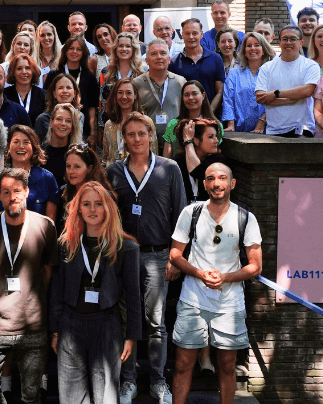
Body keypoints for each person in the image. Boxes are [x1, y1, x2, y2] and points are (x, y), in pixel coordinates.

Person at [107, 112, 188, 404]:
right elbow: (108, 216)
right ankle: (128, 381)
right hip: (123, 257)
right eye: (130, 134)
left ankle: (158, 381)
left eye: (142, 133)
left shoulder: (170, 168)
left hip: (158, 255)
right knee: (126, 320)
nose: (137, 139)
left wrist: (175, 258)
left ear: (151, 135)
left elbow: (181, 216)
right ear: (124, 139)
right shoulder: (114, 171)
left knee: (156, 322)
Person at [169, 163, 262, 404]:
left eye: (222, 178)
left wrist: (226, 277)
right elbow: (175, 254)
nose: (216, 183)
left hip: (229, 303)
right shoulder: (191, 213)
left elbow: (256, 266)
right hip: (193, 298)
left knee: (228, 365)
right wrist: (200, 274)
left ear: (232, 183)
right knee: (183, 364)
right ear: (204, 184)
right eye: (210, 178)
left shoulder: (245, 218)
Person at [0, 167, 59, 404]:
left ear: (27, 192)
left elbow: (47, 273)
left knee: (31, 395)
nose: (12, 197)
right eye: (6, 192)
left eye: (17, 191)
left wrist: (30, 296)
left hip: (33, 326)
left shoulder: (46, 227)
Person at [50, 181, 141, 404]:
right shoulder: (66, 244)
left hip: (107, 325)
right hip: (71, 325)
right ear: (78, 208)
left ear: (108, 208)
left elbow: (133, 295)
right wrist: (55, 331)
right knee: (71, 398)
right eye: (86, 204)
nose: (92, 209)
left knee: (106, 397)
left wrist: (131, 336)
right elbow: (57, 290)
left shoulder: (126, 247)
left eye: (98, 204)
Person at [254, 26, 321, 137]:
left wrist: (275, 94)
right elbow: (260, 98)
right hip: (273, 131)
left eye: (293, 39)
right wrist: (294, 98)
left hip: (302, 130)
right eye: (285, 39)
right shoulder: (267, 67)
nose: (288, 42)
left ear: (301, 43)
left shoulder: (310, 65)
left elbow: (307, 91)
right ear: (279, 42)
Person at [0, 125, 60, 223]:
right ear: (8, 147)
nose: (21, 146)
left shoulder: (47, 179)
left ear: (34, 147)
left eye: (26, 142)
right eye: (16, 142)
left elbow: (50, 223)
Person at [44, 35, 99, 145]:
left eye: (79, 49)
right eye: (71, 48)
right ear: (65, 51)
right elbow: (46, 100)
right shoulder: (54, 74)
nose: (74, 52)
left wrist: (92, 133)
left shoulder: (89, 77)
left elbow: (92, 107)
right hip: (56, 128)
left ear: (83, 53)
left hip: (82, 129)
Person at [135, 40, 187, 144]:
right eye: (154, 54)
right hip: (146, 144)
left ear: (169, 59)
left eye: (163, 53)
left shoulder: (180, 82)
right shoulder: (136, 84)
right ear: (147, 60)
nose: (159, 57)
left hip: (175, 144)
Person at [168, 19, 224, 112]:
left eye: (195, 33)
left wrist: (208, 114)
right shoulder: (174, 62)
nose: (191, 37)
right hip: (185, 117)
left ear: (201, 34)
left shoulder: (216, 59)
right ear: (182, 35)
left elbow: (220, 92)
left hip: (212, 116)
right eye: (187, 33)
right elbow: (173, 95)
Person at [223, 32, 274, 133]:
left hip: (266, 130)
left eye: (257, 45)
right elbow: (228, 99)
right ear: (244, 51)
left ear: (264, 50)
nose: (252, 48)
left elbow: (274, 100)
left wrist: (262, 121)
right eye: (249, 46)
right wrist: (230, 124)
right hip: (239, 130)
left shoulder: (271, 73)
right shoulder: (234, 73)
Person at [99, 32, 147, 136]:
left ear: (133, 49)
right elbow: (102, 102)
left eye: (128, 46)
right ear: (115, 49)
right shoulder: (106, 72)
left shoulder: (142, 72)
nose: (124, 49)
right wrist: (101, 127)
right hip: (113, 123)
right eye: (120, 46)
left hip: (137, 125)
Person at [102, 78, 158, 166]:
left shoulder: (147, 122)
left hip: (140, 171)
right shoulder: (109, 125)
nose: (124, 96)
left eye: (128, 93)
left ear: (135, 95)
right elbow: (106, 157)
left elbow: (154, 153)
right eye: (120, 92)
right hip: (115, 172)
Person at [172, 119, 227, 201]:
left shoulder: (218, 160)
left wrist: (188, 141)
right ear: (196, 141)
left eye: (215, 136)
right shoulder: (178, 162)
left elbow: (197, 172)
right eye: (210, 137)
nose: (216, 141)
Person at [162, 80, 218, 158]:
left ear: (203, 96)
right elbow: (166, 158)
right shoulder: (173, 124)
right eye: (186, 95)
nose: (191, 98)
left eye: (194, 94)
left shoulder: (215, 125)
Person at [43, 103, 84, 196]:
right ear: (51, 123)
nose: (63, 124)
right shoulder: (40, 153)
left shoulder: (79, 155)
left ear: (72, 127)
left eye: (68, 121)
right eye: (59, 119)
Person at [34, 72, 81, 144]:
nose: (65, 91)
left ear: (74, 93)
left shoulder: (80, 116)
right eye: (60, 88)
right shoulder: (43, 119)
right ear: (54, 93)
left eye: (68, 88)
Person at [4, 54, 46, 125]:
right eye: (19, 68)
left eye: (27, 68)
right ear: (13, 72)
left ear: (33, 71)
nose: (24, 72)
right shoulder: (4, 95)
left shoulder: (44, 95)